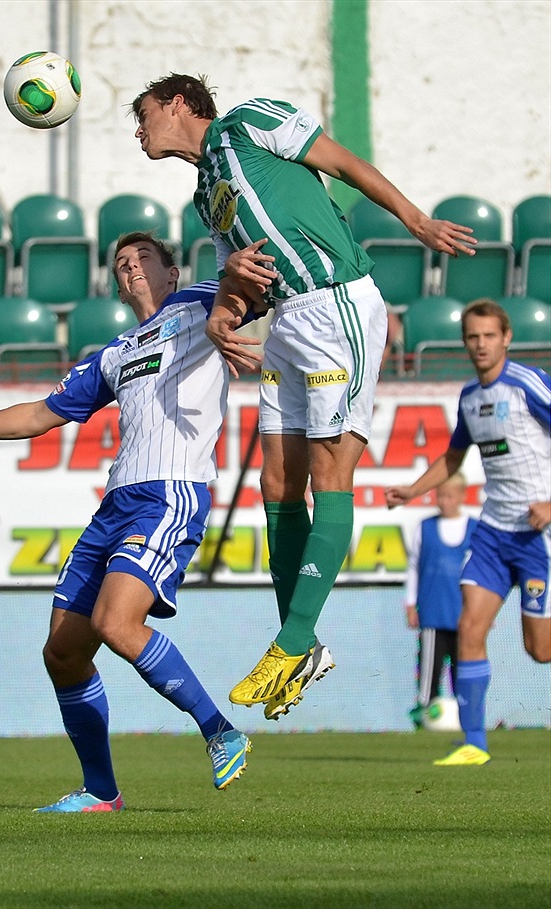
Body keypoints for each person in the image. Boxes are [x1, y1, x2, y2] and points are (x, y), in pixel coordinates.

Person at [131, 73, 478, 720]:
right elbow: (246, 282)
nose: (138, 128)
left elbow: (343, 161)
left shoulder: (250, 121)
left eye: (144, 113)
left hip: (335, 302)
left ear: (180, 103)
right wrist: (221, 313)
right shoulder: (208, 197)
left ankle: (289, 642)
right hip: (286, 321)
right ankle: (306, 646)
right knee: (276, 484)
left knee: (327, 474)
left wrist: (416, 221)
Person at [0, 232, 255, 810]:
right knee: (62, 652)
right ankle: (101, 791)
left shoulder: (201, 303)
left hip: (171, 494)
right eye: (122, 264)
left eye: (143, 259)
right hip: (115, 504)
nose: (131, 268)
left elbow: (258, 290)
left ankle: (220, 730)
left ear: (171, 271)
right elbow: (39, 414)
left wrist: (238, 267)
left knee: (117, 625)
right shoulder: (113, 353)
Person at [386, 298, 550, 765]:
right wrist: (414, 491)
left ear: (507, 338)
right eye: (472, 337)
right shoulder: (470, 397)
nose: (480, 344)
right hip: (495, 533)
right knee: (468, 627)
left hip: (539, 538)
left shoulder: (527, 384)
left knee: (540, 651)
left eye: (488, 336)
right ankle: (474, 743)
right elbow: (455, 457)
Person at [403, 472, 478, 728]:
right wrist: (411, 603)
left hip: (465, 615)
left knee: (465, 670)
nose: (443, 501)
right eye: (440, 496)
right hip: (433, 613)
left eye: (448, 496)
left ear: (461, 497)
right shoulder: (425, 528)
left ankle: (467, 719)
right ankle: (424, 717)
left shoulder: (475, 529)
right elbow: (414, 567)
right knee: (429, 669)